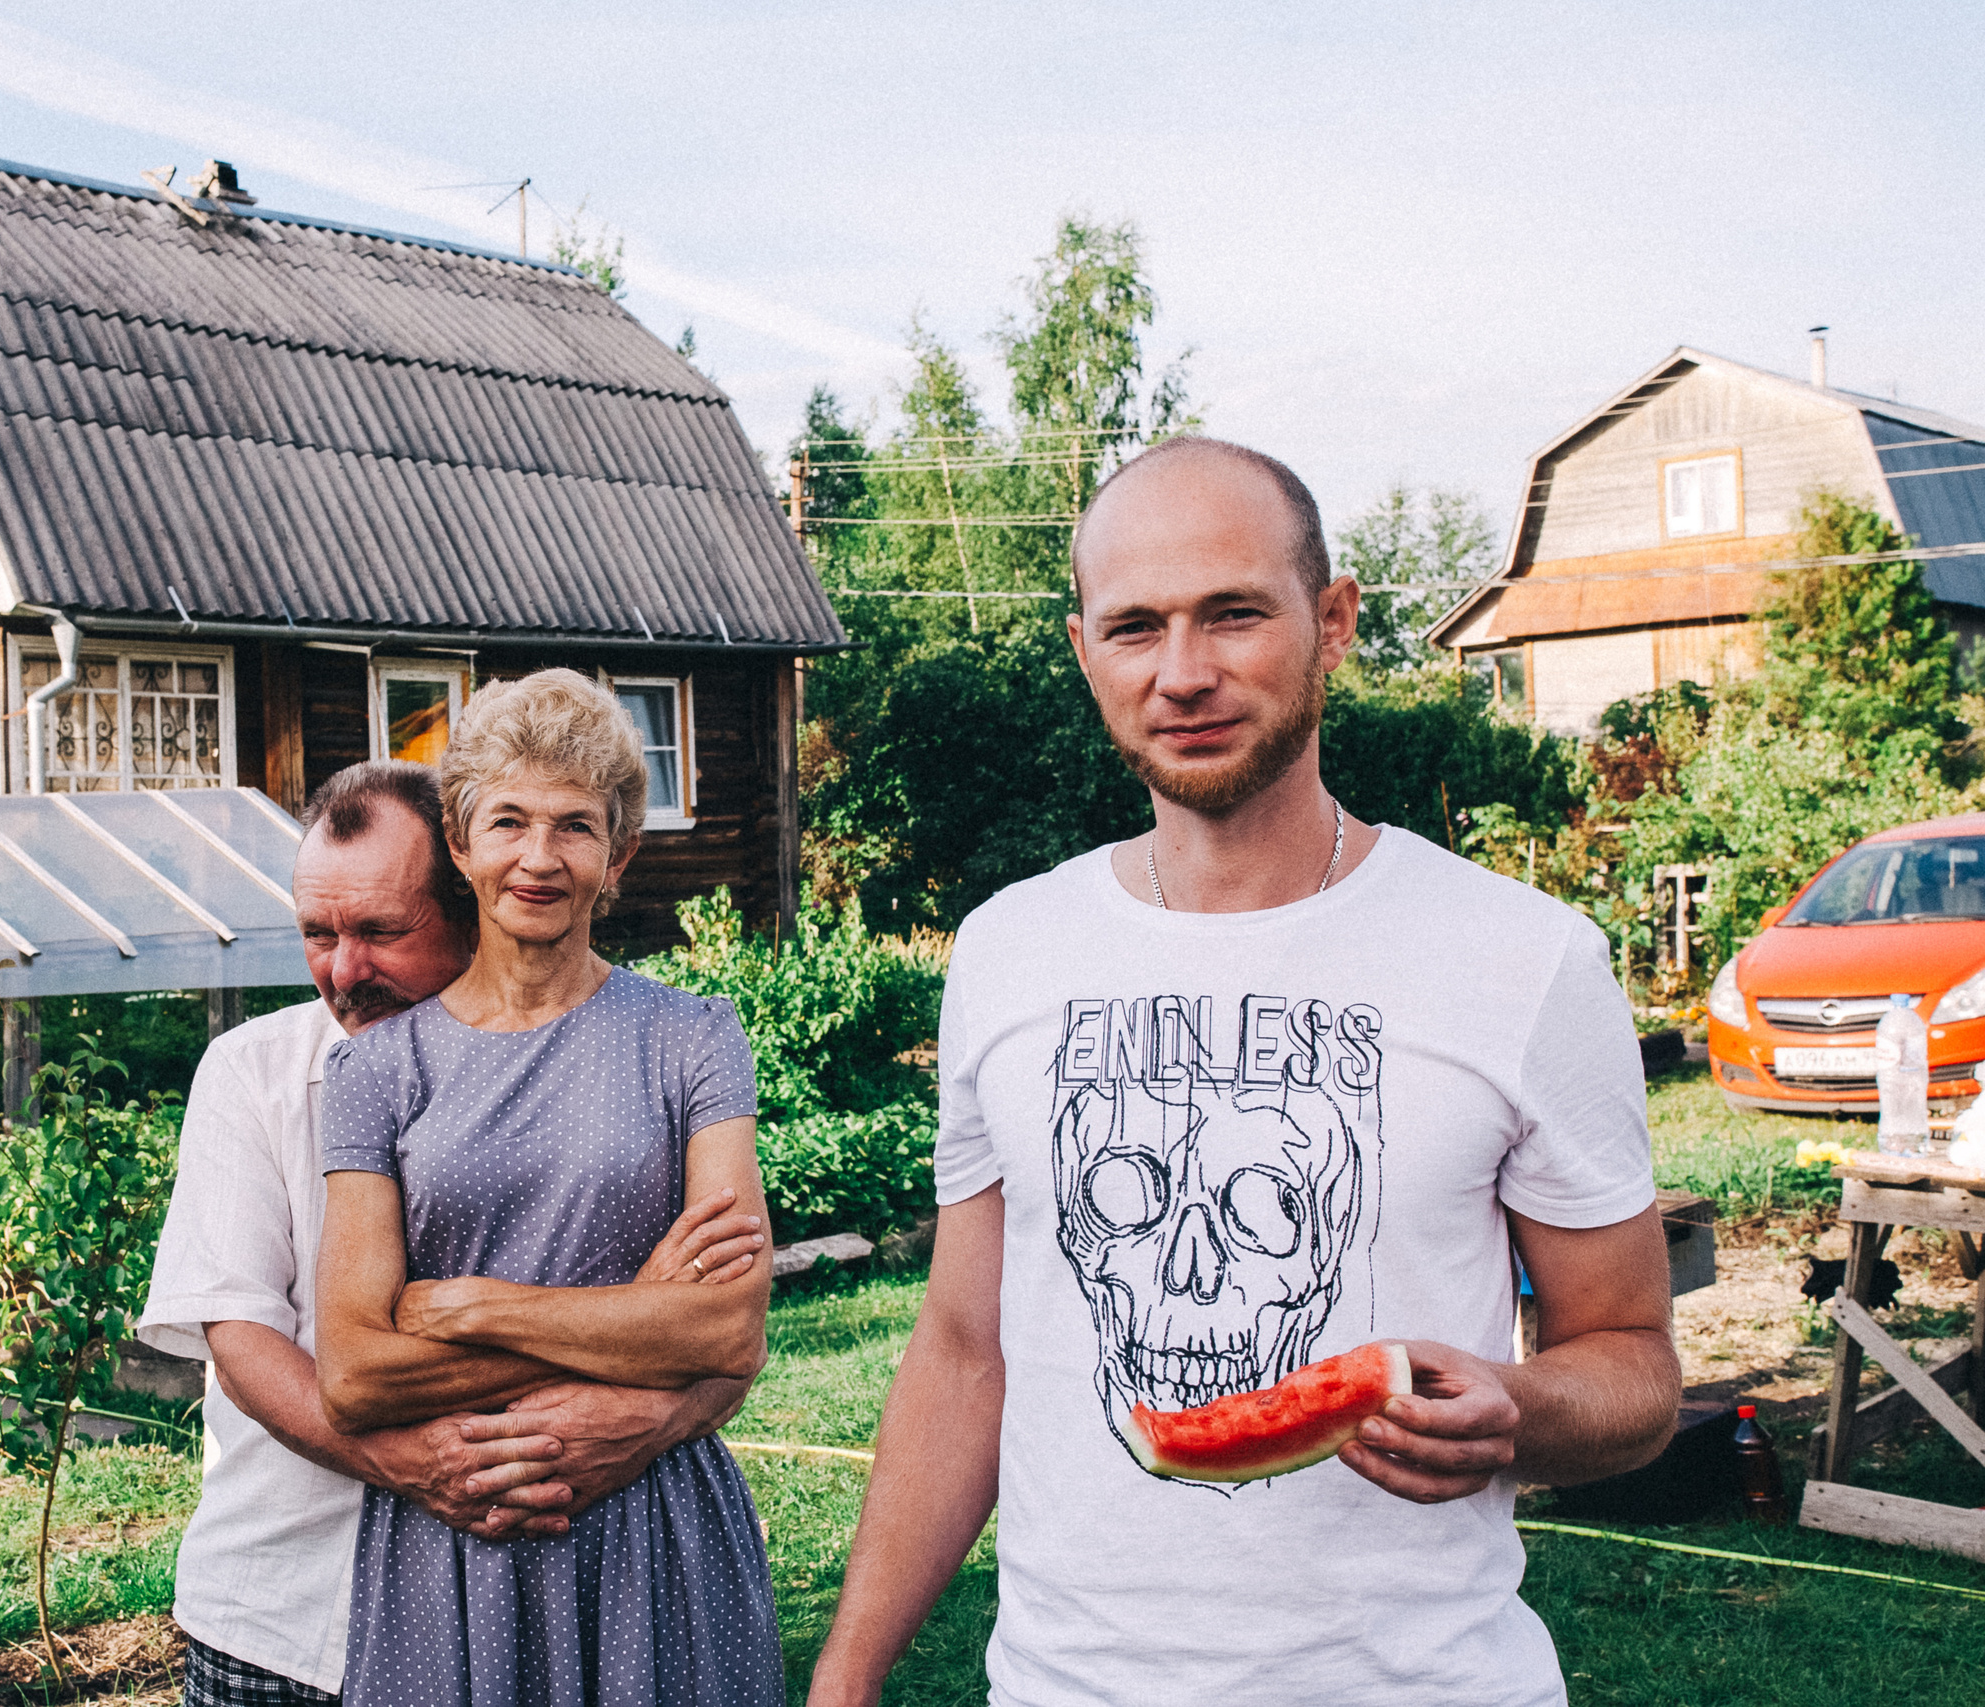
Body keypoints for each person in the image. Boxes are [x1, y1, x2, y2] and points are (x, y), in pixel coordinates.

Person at [807, 438, 1681, 1707]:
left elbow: (1631, 1363)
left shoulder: (1524, 958)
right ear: (1081, 650)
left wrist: (1521, 1406)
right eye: (1134, 628)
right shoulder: (1006, 950)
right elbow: (960, 1351)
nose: (1183, 674)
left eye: (1233, 614)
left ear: (1332, 624)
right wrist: (845, 1679)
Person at [139, 760, 757, 1707]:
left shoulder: (618, 1054)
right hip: (283, 1608)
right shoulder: (250, 1071)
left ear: (466, 898)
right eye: (318, 933)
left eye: (382, 932)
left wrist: (655, 1404)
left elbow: (723, 1335)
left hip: (523, 1585)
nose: (344, 971)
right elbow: (241, 1338)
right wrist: (627, 1324)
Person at [317, 669, 787, 1707]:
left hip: (654, 1522)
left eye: (575, 826)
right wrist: (639, 1318)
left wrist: (470, 1307)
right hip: (458, 1539)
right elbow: (352, 1372)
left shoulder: (694, 1040)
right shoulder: (373, 1076)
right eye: (508, 821)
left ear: (617, 854)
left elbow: (728, 1332)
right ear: (459, 839)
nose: (538, 858)